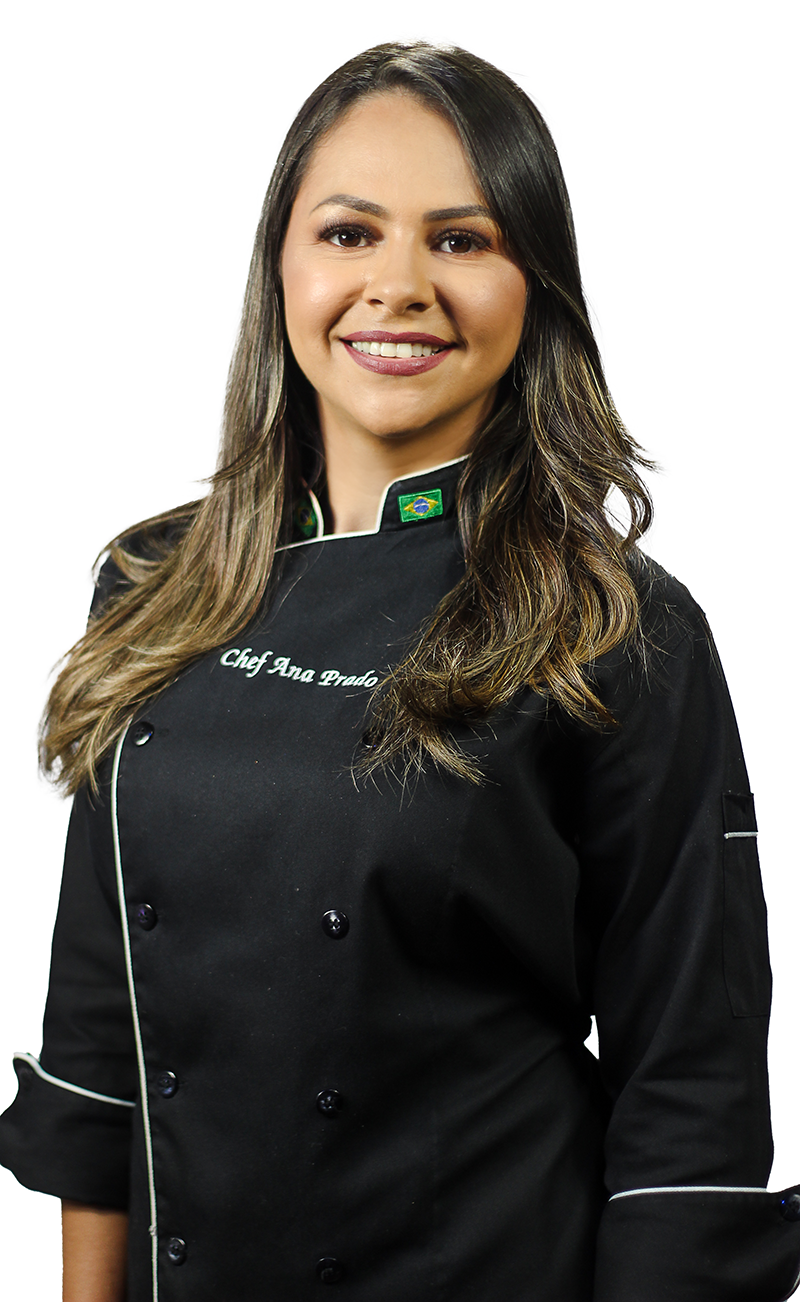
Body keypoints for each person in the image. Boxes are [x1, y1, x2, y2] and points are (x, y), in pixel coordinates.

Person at [0, 39, 798, 1302]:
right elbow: (101, 1036)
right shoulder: (153, 584)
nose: (399, 287)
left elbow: (688, 1095)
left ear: (534, 286)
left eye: (461, 240)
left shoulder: (613, 624)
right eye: (349, 233)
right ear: (281, 267)